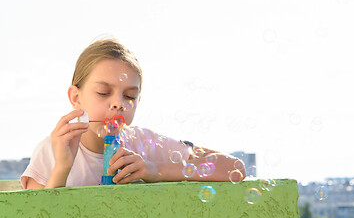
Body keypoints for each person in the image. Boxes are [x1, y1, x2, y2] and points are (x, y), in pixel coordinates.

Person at [21, 38, 246, 189]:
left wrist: (153, 169)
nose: (118, 104)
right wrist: (62, 167)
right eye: (103, 92)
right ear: (75, 97)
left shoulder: (143, 143)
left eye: (129, 96)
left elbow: (235, 167)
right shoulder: (51, 150)